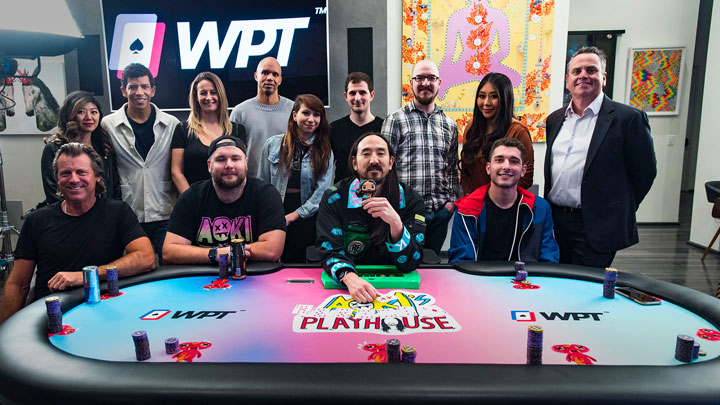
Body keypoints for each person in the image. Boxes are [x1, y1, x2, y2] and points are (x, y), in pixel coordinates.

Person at [0, 143, 155, 322]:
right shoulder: (37, 220)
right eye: (65, 173)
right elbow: (18, 284)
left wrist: (86, 277)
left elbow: (146, 258)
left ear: (97, 176)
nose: (74, 179)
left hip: (105, 311)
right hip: (51, 314)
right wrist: (5, 336)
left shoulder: (117, 212)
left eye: (81, 172)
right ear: (57, 179)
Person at [544, 46, 656, 268]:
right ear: (567, 80)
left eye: (591, 70)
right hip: (557, 221)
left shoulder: (628, 119)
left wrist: (617, 207)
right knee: (560, 280)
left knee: (586, 286)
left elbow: (645, 172)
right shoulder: (555, 119)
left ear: (603, 78)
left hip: (598, 221)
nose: (583, 75)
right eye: (577, 71)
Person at [316, 133, 426, 303]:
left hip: (398, 289)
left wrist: (396, 223)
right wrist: (349, 278)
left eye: (381, 153)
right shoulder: (334, 198)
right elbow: (330, 249)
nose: (374, 160)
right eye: (366, 154)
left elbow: (411, 263)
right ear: (354, 163)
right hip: (348, 288)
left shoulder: (412, 200)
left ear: (391, 163)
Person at [102, 63, 183, 262]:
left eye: (145, 87)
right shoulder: (108, 125)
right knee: (136, 270)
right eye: (133, 87)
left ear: (153, 90)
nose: (139, 92)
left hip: (165, 210)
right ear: (123, 90)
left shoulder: (171, 124)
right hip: (129, 213)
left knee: (170, 268)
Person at [163, 135, 286, 264]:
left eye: (235, 159)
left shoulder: (266, 194)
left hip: (255, 276)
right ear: (209, 165)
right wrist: (215, 254)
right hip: (204, 277)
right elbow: (169, 252)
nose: (229, 165)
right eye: (221, 159)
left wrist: (232, 252)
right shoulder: (191, 197)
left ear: (246, 163)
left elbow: (272, 250)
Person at [381, 59, 458, 255]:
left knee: (432, 265)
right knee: (405, 264)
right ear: (411, 83)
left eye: (431, 78)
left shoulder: (449, 124)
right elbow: (383, 168)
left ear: (439, 83)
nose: (425, 83)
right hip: (405, 211)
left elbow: (451, 167)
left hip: (440, 211)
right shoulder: (395, 120)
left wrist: (451, 202)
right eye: (420, 78)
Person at [449, 138, 558, 264]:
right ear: (488, 168)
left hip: (527, 280)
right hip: (479, 280)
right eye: (499, 160)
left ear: (523, 170)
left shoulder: (540, 208)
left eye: (514, 161)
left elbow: (548, 259)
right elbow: (461, 261)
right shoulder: (466, 209)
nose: (506, 166)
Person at [258, 94, 334, 263]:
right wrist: (272, 215)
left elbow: (322, 191)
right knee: (275, 263)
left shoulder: (325, 150)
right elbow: (262, 184)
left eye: (316, 115)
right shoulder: (272, 144)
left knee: (302, 264)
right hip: (276, 214)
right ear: (294, 115)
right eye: (306, 113)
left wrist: (293, 216)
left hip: (308, 217)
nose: (311, 119)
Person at [40, 91, 120, 206]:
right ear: (70, 115)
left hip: (104, 215)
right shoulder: (54, 148)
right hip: (69, 217)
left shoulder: (105, 147)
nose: (89, 117)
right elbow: (53, 194)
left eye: (93, 112)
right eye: (81, 112)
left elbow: (114, 188)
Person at [171, 72, 246, 194]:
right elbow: (176, 171)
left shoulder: (237, 130)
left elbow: (240, 169)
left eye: (213, 92)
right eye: (203, 93)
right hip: (194, 202)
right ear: (196, 96)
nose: (208, 97)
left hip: (229, 201)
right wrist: (190, 200)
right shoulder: (182, 129)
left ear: (220, 94)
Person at [460, 73, 534, 195]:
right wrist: (473, 201)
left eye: (494, 96)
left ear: (505, 99)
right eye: (482, 96)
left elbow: (526, 179)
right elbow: (466, 174)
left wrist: (493, 199)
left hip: (504, 204)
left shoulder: (518, 132)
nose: (486, 102)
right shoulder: (472, 128)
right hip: (473, 204)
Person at [230, 57, 294, 177]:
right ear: (256, 76)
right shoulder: (239, 112)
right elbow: (232, 153)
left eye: (275, 74)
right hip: (249, 186)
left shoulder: (294, 111)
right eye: (265, 73)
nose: (270, 78)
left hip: (285, 186)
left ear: (280, 80)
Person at [330, 72, 384, 180]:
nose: (357, 98)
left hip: (376, 192)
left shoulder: (384, 127)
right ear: (346, 96)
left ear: (371, 95)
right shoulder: (334, 129)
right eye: (352, 93)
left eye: (362, 92)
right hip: (343, 193)